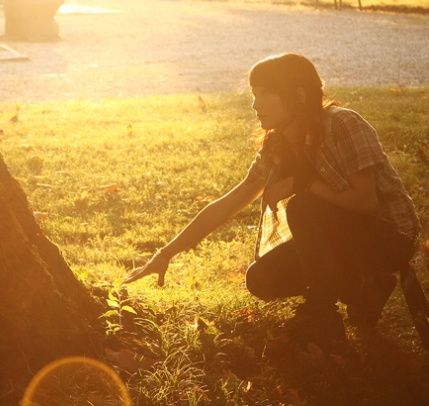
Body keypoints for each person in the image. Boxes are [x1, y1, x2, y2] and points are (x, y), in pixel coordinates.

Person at [124, 53, 420, 347]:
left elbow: (366, 201)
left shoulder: (342, 124)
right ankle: (363, 286)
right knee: (261, 278)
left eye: (265, 94)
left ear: (299, 95)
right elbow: (229, 203)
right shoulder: (277, 146)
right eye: (254, 94)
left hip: (388, 235)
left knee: (304, 207)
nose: (255, 104)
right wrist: (165, 254)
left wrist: (301, 183)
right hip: (340, 239)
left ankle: (323, 316)